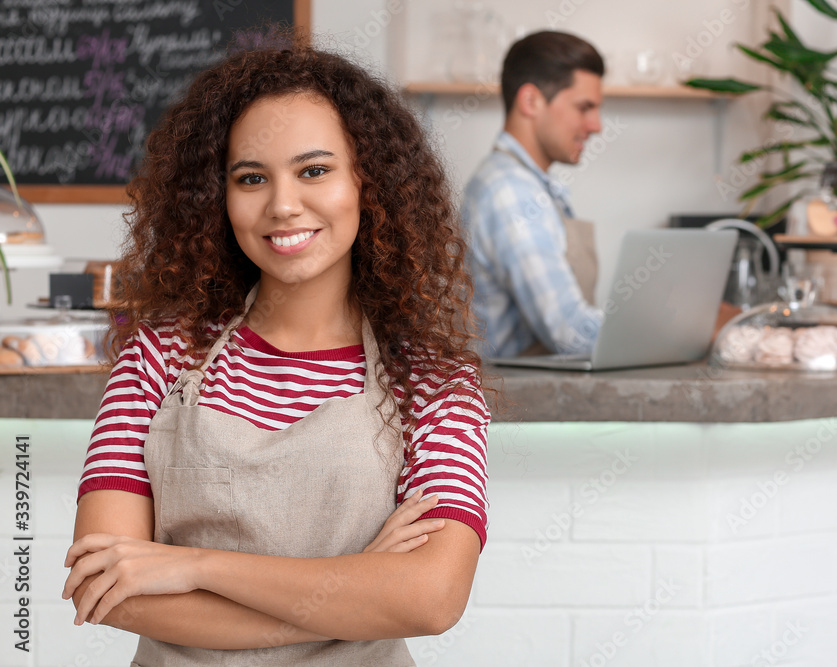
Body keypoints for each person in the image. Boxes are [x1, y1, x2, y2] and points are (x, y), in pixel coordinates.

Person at [62, 36, 489, 666]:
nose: (282, 205)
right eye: (251, 178)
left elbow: (430, 599)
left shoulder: (432, 384)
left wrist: (190, 565)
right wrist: (354, 590)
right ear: (218, 198)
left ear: (366, 184)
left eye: (314, 170)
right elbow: (106, 589)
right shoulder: (157, 356)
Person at [462, 30, 606, 358]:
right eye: (584, 108)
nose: (596, 125)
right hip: (521, 403)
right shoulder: (510, 192)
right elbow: (570, 333)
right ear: (531, 101)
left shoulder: (527, 184)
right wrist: (679, 327)